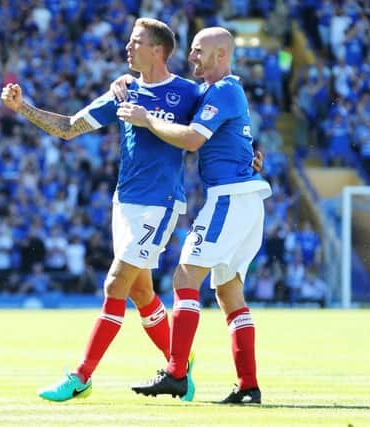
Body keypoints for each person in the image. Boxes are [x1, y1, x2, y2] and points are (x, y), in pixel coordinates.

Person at [1, 18, 204, 402]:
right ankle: (180, 366)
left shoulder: (187, 93)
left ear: (158, 50)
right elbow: (69, 127)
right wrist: (22, 107)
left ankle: (81, 377)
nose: (127, 48)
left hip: (159, 204)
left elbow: (210, 132)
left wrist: (249, 157)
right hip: (124, 204)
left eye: (136, 42)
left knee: (115, 284)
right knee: (142, 292)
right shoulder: (123, 92)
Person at [115, 26, 272, 404]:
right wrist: (128, 79)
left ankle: (176, 373)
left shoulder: (224, 90)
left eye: (199, 51)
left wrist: (147, 120)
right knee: (229, 292)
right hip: (245, 198)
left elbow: (192, 139)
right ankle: (248, 386)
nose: (192, 57)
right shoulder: (214, 92)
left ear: (221, 55)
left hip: (229, 197)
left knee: (185, 275)